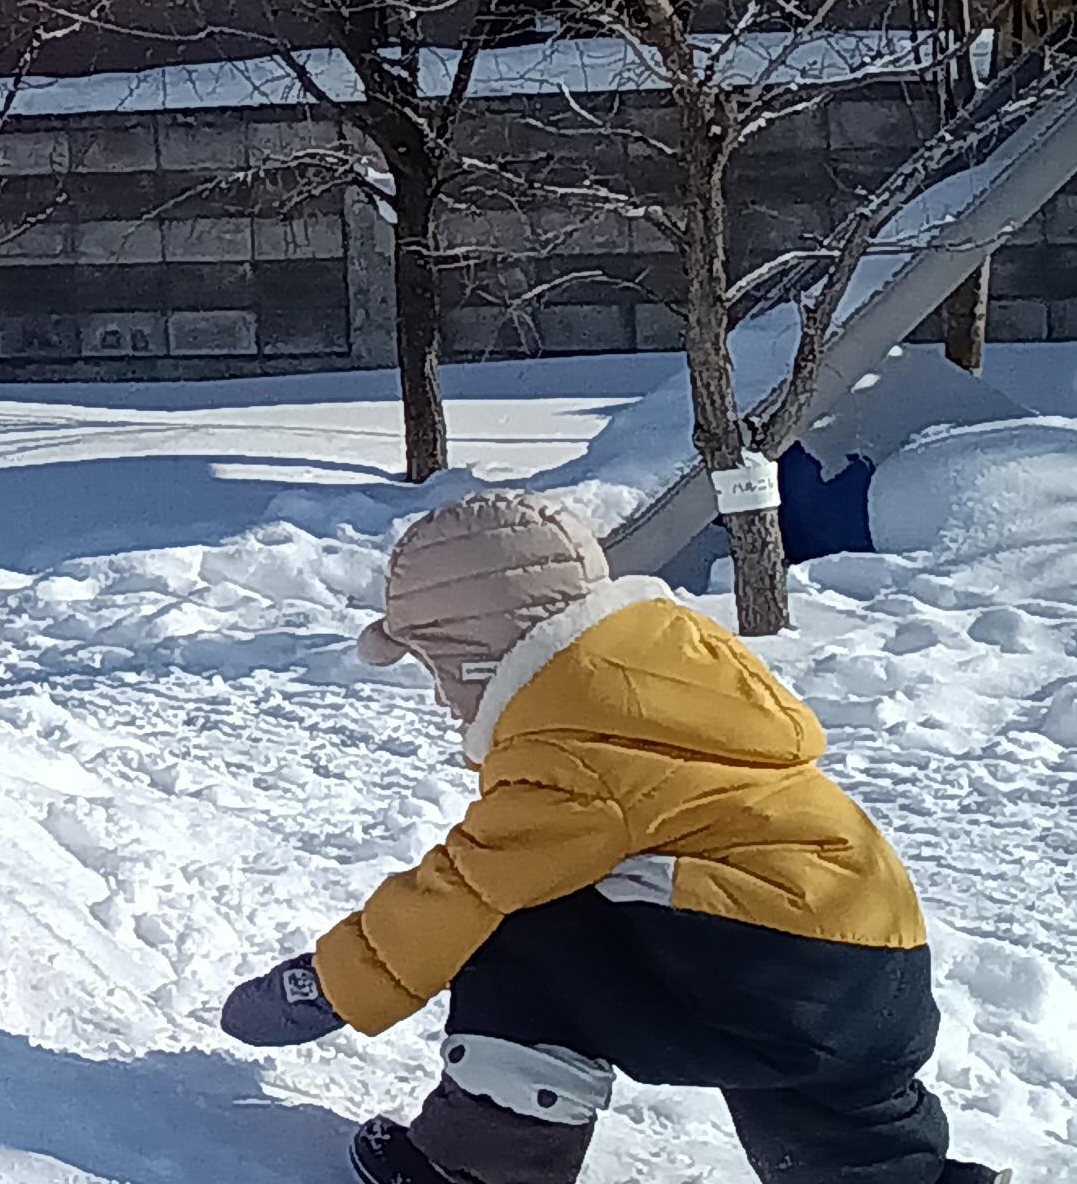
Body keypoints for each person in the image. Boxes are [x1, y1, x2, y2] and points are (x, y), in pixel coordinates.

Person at [219, 492, 1004, 1184]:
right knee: (824, 1099)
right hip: (871, 954)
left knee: (521, 930)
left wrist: (330, 983)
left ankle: (478, 1164)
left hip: (768, 962)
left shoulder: (570, 741)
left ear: (481, 655)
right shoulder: (653, 681)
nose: (438, 697)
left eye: (437, 668)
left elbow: (465, 886)